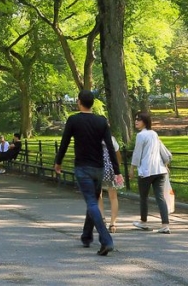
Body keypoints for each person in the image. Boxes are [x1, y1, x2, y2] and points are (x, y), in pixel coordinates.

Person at [52, 91, 122, 256]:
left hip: (83, 167)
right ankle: (86, 236)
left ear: (79, 102)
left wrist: (58, 162)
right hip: (99, 168)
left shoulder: (74, 120)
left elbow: (64, 142)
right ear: (92, 103)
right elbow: (111, 148)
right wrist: (117, 170)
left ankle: (106, 240)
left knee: (92, 202)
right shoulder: (101, 121)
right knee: (92, 200)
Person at [130, 112, 172, 233]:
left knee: (144, 197)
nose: (136, 121)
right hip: (160, 170)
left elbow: (137, 154)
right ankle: (165, 225)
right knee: (160, 198)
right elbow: (160, 149)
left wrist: (132, 168)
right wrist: (165, 164)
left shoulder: (141, 136)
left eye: (139, 120)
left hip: (146, 171)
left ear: (145, 121)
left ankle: (143, 222)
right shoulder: (154, 133)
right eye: (135, 119)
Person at [101, 134, 122, 232]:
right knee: (113, 196)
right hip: (111, 170)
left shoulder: (92, 137)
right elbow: (118, 156)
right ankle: (112, 223)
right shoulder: (111, 139)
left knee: (98, 195)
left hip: (98, 168)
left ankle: (102, 219)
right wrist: (116, 169)